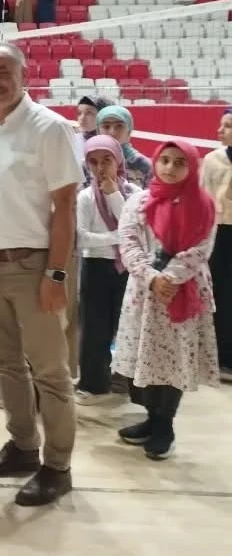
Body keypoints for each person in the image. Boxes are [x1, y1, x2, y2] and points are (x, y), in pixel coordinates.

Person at [0, 42, 81, 506]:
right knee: (5, 364)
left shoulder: (50, 128)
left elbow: (66, 206)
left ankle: (58, 465)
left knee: (50, 371)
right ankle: (23, 446)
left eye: (2, 73)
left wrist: (57, 274)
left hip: (34, 267)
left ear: (24, 76)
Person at [113, 140, 219, 459]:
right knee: (146, 358)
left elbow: (201, 249)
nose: (170, 168)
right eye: (165, 160)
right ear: (156, 162)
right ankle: (151, 418)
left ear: (192, 167)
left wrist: (169, 278)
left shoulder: (203, 204)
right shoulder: (139, 202)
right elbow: (128, 242)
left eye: (179, 162)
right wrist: (151, 276)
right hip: (145, 294)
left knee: (173, 361)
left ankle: (165, 426)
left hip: (183, 290)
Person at [75, 136, 140, 404]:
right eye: (93, 162)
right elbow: (82, 238)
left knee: (127, 326)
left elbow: (133, 228)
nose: (100, 168)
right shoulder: (86, 197)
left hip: (128, 268)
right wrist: (117, 237)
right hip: (96, 266)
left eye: (107, 160)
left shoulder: (133, 193)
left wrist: (113, 195)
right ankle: (93, 384)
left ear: (118, 160)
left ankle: (125, 380)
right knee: (95, 328)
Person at [201, 109, 232, 382]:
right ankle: (218, 357)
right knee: (218, 294)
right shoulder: (212, 160)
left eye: (228, 126)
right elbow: (203, 198)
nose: (220, 131)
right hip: (218, 233)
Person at [96, 105, 152, 188]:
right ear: (98, 131)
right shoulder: (90, 162)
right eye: (106, 126)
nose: (112, 132)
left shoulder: (143, 164)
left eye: (119, 126)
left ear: (129, 130)